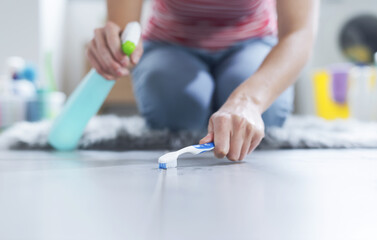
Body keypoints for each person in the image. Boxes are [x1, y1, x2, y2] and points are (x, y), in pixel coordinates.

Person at [87, 0, 318, 161]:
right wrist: (115, 43)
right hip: (170, 43)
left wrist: (248, 101)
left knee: (264, 115)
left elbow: (299, 33)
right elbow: (124, 27)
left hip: (252, 41)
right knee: (179, 108)